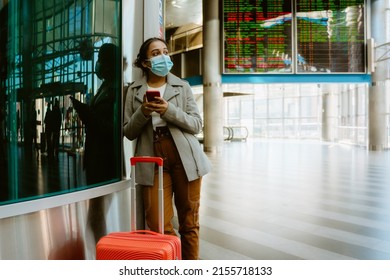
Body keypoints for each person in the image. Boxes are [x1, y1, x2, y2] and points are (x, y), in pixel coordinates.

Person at [123, 37, 211, 260]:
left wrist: (168, 110)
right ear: (144, 62)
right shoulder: (133, 91)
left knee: (189, 222)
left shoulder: (182, 86)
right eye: (155, 53)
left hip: (184, 156)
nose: (163, 56)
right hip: (151, 157)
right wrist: (143, 111)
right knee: (157, 224)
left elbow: (196, 125)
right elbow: (128, 131)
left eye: (165, 51)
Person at [70, 43, 119, 185]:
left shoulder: (116, 91)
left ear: (109, 64)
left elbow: (113, 128)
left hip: (105, 159)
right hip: (95, 156)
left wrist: (87, 114)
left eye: (100, 59)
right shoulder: (104, 87)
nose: (98, 64)